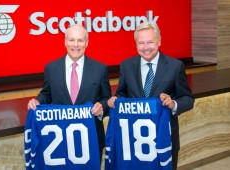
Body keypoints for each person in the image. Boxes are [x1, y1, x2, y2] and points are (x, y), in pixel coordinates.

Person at [107, 22, 194, 170]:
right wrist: (116, 100)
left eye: (150, 42)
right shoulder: (126, 66)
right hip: (134, 140)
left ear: (159, 41)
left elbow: (188, 99)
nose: (146, 47)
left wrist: (173, 104)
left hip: (164, 139)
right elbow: (122, 93)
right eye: (141, 43)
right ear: (136, 44)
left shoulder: (175, 66)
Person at [27, 24, 111, 162]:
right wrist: (38, 101)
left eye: (80, 40)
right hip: (60, 138)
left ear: (87, 42)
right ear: (65, 41)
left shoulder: (100, 69)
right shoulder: (51, 68)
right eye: (72, 40)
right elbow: (46, 94)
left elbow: (106, 99)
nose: (76, 45)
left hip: (91, 137)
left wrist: (101, 108)